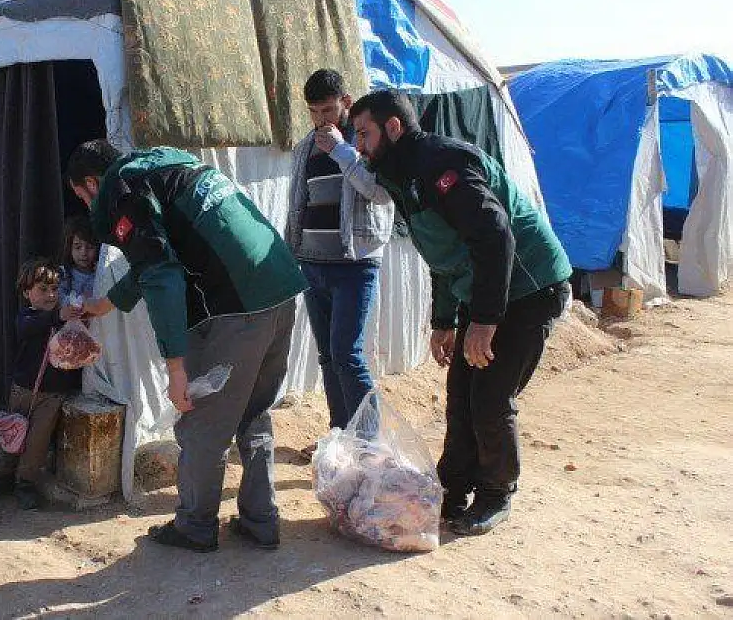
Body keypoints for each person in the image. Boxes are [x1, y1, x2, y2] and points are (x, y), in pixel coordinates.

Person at [345, 89, 573, 535]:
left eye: (363, 133)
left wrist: (484, 323)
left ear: (393, 128)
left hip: (529, 287)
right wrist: (444, 322)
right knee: (460, 392)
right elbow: (442, 252)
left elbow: (496, 238)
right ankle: (453, 488)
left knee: (489, 398)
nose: (358, 146)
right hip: (485, 290)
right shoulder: (402, 174)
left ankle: (496, 493)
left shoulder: (442, 165)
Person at [66, 139, 307, 552]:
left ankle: (195, 525)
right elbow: (154, 261)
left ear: (92, 182)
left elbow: (162, 276)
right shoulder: (167, 165)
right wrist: (102, 306)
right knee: (253, 412)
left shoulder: (123, 189)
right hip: (280, 290)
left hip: (235, 308)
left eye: (83, 197)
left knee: (201, 424)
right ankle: (260, 518)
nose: (90, 208)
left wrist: (176, 369)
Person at [286, 69, 394, 431]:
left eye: (328, 111)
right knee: (328, 357)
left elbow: (379, 192)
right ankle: (340, 439)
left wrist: (343, 151)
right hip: (313, 264)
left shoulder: (363, 143)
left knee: (348, 356)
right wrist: (292, 253)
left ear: (346, 103)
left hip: (354, 264)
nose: (321, 120)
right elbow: (298, 204)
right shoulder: (305, 148)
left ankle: (369, 443)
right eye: (314, 112)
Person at [0, 258, 84, 510]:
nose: (50, 295)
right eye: (42, 289)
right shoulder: (27, 317)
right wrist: (56, 317)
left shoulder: (63, 319)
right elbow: (29, 328)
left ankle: (25, 482)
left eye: (54, 289)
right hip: (24, 390)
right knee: (12, 432)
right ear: (27, 293)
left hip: (52, 394)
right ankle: (4, 475)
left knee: (37, 441)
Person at [59, 215, 100, 304]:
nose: (84, 253)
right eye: (77, 247)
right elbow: (57, 300)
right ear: (69, 248)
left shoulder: (101, 273)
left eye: (89, 247)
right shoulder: (63, 273)